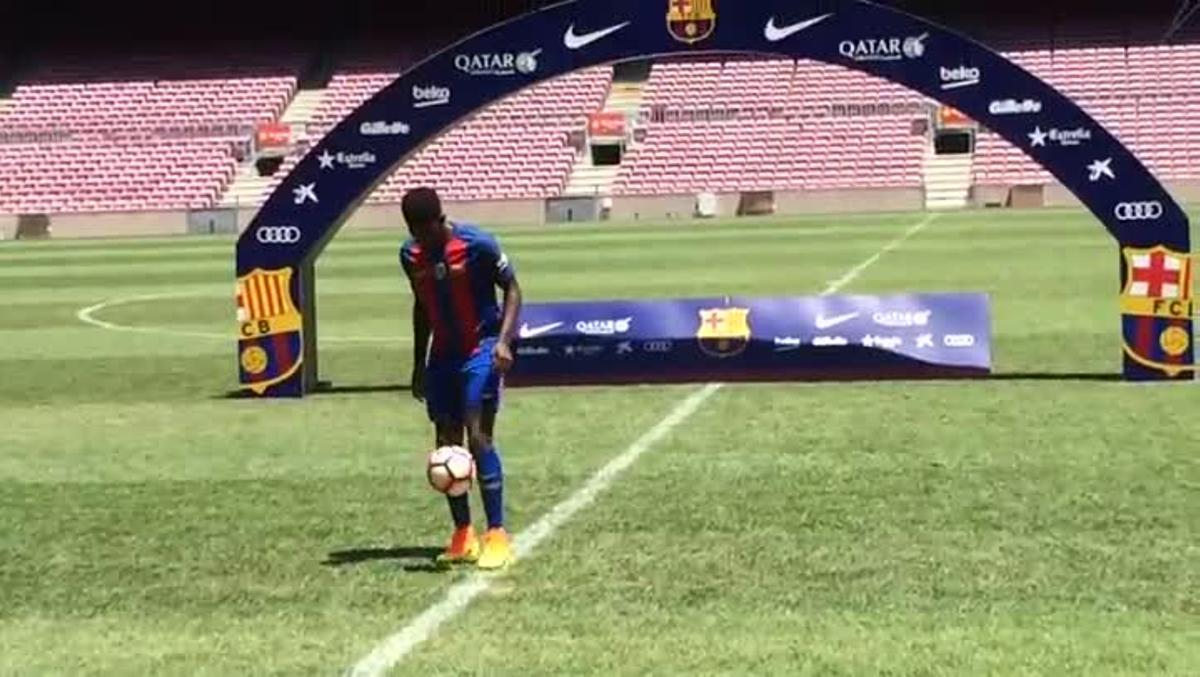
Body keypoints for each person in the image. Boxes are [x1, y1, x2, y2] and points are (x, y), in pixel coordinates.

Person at [399, 187, 522, 570]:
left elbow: (514, 290)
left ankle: (497, 534)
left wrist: (503, 342)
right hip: (442, 356)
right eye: (417, 233)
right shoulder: (410, 255)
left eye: (429, 230)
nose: (425, 239)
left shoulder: (478, 245)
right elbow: (421, 306)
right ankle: (463, 534)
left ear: (440, 219)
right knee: (446, 444)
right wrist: (419, 363)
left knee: (478, 432)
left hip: (480, 348)